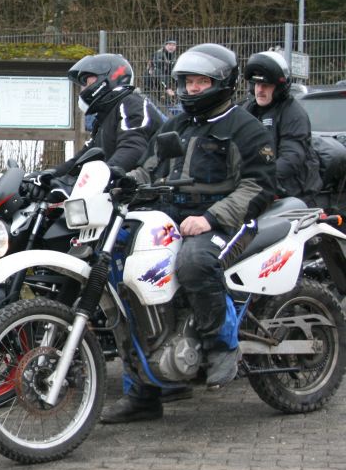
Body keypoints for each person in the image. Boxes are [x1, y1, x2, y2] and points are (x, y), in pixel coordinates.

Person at [102, 43, 277, 424]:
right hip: (172, 218)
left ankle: (220, 347)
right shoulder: (175, 125)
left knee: (194, 263)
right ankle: (144, 394)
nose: (193, 89)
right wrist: (121, 182)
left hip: (228, 222)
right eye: (188, 82)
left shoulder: (245, 128)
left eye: (202, 82)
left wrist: (211, 217)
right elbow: (149, 167)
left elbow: (259, 186)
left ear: (222, 83)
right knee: (125, 275)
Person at [55, 54, 164, 177]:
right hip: (118, 185)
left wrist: (101, 176)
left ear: (106, 78)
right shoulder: (104, 118)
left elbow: (133, 148)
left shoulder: (131, 104)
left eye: (87, 81)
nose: (84, 88)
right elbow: (84, 157)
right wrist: (52, 175)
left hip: (143, 184)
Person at [241, 50, 321, 206]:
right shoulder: (248, 110)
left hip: (293, 192)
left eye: (266, 85)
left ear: (278, 88)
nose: (260, 90)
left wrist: (260, 178)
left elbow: (292, 156)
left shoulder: (293, 114)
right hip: (259, 187)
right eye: (257, 84)